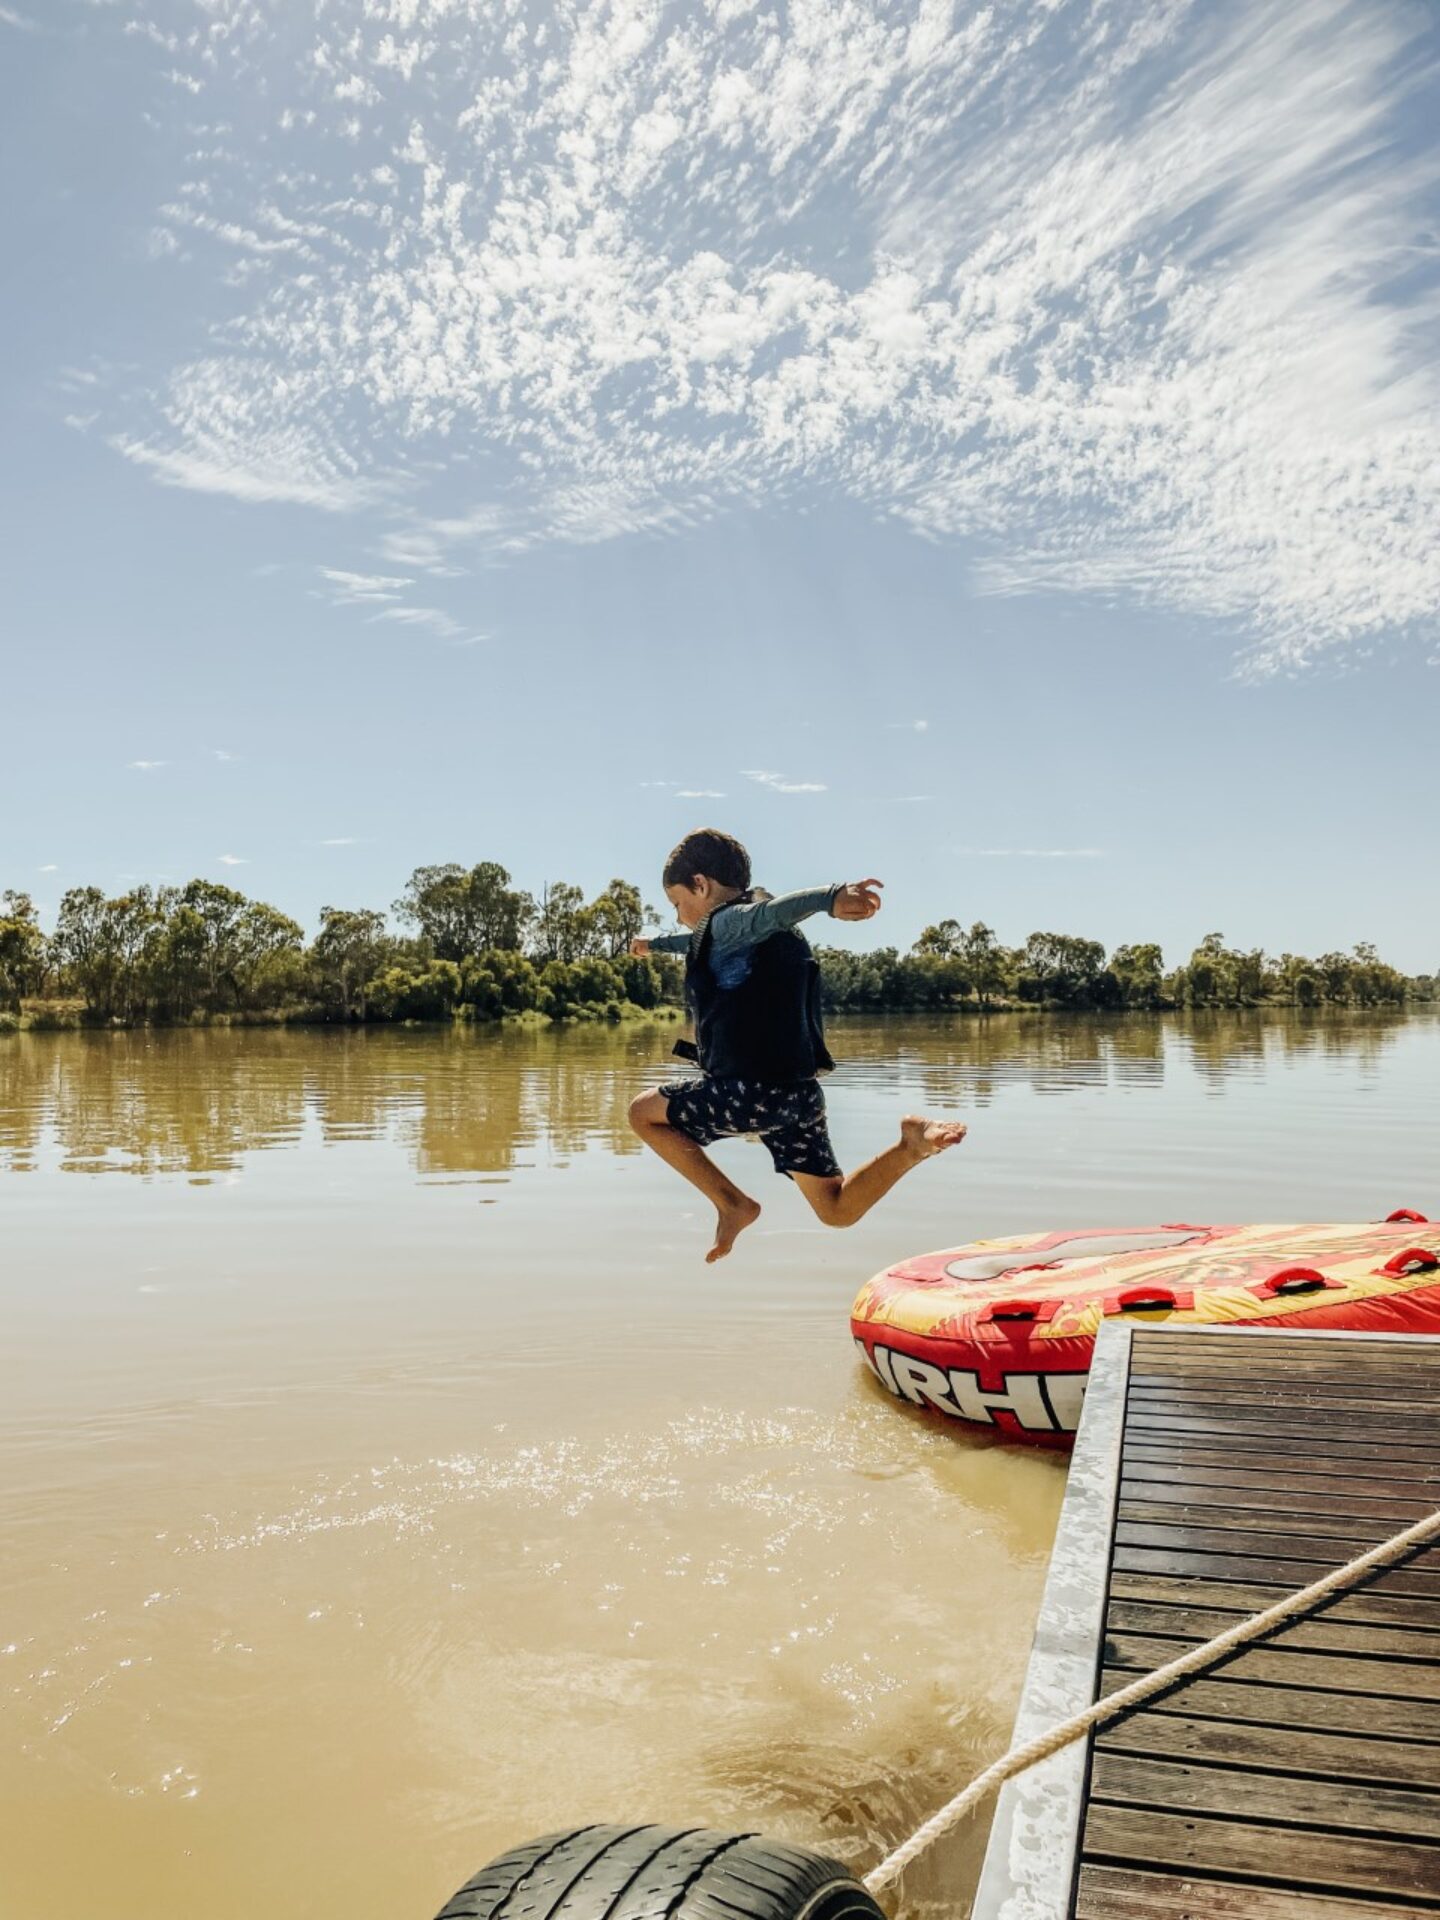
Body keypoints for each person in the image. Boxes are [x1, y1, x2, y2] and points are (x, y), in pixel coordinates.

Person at [629, 827, 967, 1262]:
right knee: (836, 1208)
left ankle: (733, 1203)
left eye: (678, 903)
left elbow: (770, 913)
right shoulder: (733, 931)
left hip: (750, 1091)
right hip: (798, 1097)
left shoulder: (738, 920)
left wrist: (828, 897)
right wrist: (653, 945)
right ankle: (911, 1146)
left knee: (642, 1114)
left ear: (701, 884)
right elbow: (698, 941)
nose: (679, 916)